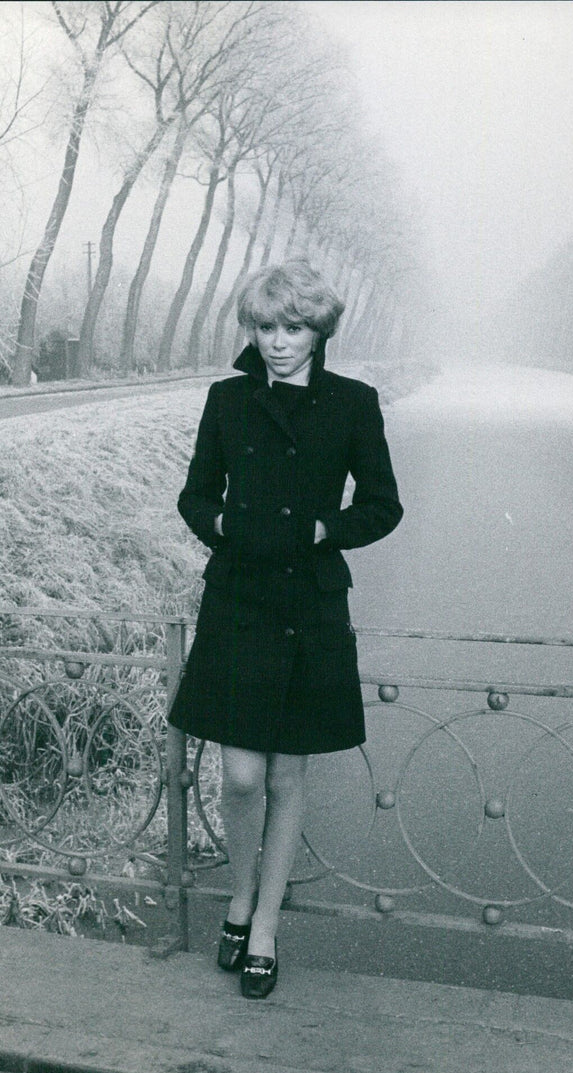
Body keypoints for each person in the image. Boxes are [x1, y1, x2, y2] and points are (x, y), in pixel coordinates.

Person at [169, 260, 403, 998]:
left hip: (309, 604)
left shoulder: (354, 403)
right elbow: (196, 494)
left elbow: (383, 505)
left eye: (292, 327)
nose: (276, 342)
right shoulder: (228, 400)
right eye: (265, 327)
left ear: (319, 329)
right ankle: (238, 896)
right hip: (239, 597)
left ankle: (264, 923)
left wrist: (321, 529)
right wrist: (222, 524)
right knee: (240, 776)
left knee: (286, 774)